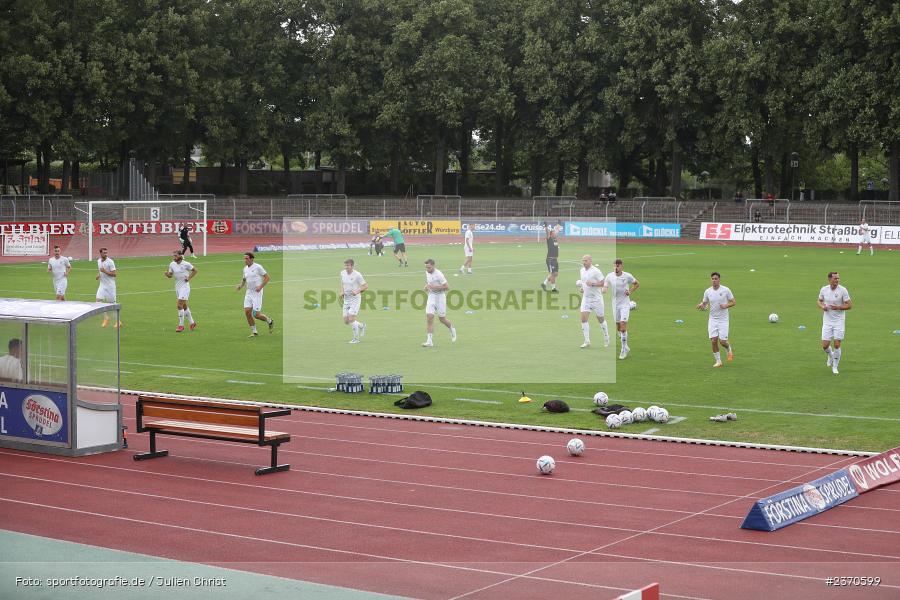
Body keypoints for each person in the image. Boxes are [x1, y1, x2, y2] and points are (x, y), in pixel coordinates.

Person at [696, 272, 735, 368]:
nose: (714, 280)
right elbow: (705, 303)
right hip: (712, 319)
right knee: (713, 340)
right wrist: (701, 305)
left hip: (723, 320)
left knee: (722, 341)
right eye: (712, 278)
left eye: (716, 278)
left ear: (719, 280)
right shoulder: (707, 291)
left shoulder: (726, 290)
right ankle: (718, 361)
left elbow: (733, 302)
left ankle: (728, 349)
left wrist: (726, 305)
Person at [604, 258, 640, 359]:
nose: (616, 267)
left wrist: (630, 291)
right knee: (618, 328)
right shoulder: (609, 276)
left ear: (621, 266)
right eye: (614, 265)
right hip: (615, 304)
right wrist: (604, 289)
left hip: (625, 304)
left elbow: (637, 284)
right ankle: (626, 345)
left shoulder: (627, 276)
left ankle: (623, 349)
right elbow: (605, 286)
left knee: (623, 326)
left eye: (618, 266)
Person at [818, 271, 852, 375]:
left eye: (838, 278)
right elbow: (819, 300)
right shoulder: (824, 289)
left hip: (839, 321)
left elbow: (850, 305)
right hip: (827, 321)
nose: (837, 280)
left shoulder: (843, 290)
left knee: (837, 344)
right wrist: (822, 306)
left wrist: (838, 307)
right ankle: (830, 355)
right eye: (835, 278)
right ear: (829, 279)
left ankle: (835, 367)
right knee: (825, 345)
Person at [236, 252, 275, 337]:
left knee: (256, 314)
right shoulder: (245, 269)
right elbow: (244, 279)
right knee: (247, 312)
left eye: (246, 258)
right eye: (244, 258)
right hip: (249, 292)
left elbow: (267, 277)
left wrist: (260, 287)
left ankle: (270, 321)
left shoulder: (258, 267)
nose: (245, 260)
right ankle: (254, 332)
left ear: (251, 259)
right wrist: (240, 286)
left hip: (257, 293)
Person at [422, 259, 456, 347]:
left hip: (440, 297)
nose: (427, 269)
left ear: (433, 266)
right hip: (431, 296)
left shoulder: (439, 274)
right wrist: (427, 286)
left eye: (429, 267)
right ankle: (429, 341)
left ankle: (452, 329)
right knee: (429, 317)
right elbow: (429, 282)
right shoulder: (427, 272)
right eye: (426, 267)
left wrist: (434, 287)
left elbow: (447, 287)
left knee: (442, 319)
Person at [577, 254, 608, 348]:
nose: (583, 262)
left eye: (585, 260)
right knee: (583, 319)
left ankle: (606, 336)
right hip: (586, 298)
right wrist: (582, 288)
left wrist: (593, 284)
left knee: (601, 319)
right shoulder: (581, 270)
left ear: (590, 261)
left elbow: (603, 282)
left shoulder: (596, 271)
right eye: (583, 260)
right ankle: (587, 341)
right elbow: (584, 282)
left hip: (597, 299)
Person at [165, 249, 197, 332]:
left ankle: (181, 325)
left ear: (180, 256)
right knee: (184, 306)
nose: (174, 257)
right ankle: (192, 323)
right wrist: (167, 274)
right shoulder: (172, 264)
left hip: (185, 287)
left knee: (179, 305)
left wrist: (189, 278)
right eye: (173, 255)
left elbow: (195, 270)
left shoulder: (186, 264)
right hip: (177, 287)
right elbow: (170, 275)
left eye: (175, 255)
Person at [341, 259, 368, 343]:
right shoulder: (342, 273)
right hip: (347, 299)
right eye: (345, 265)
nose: (346, 267)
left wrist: (356, 291)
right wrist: (341, 292)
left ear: (352, 266)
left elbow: (365, 286)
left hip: (355, 299)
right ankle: (361, 325)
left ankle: (356, 339)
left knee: (351, 318)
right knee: (346, 321)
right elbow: (342, 284)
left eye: (348, 266)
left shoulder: (357, 275)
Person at [95, 247, 121, 328]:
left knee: (112, 305)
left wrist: (104, 271)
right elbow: (100, 270)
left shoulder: (110, 262)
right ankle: (106, 318)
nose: (106, 254)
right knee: (98, 301)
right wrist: (98, 275)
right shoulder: (98, 261)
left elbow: (114, 274)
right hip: (102, 285)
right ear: (100, 253)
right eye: (104, 253)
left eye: (106, 252)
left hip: (110, 287)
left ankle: (118, 321)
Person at [540, 222, 560, 292]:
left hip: (555, 259)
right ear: (551, 234)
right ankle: (550, 287)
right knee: (552, 273)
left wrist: (559, 224)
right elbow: (547, 233)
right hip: (550, 259)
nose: (556, 233)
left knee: (555, 273)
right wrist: (546, 227)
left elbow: (557, 230)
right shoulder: (549, 239)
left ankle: (548, 285)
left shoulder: (555, 239)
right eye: (554, 233)